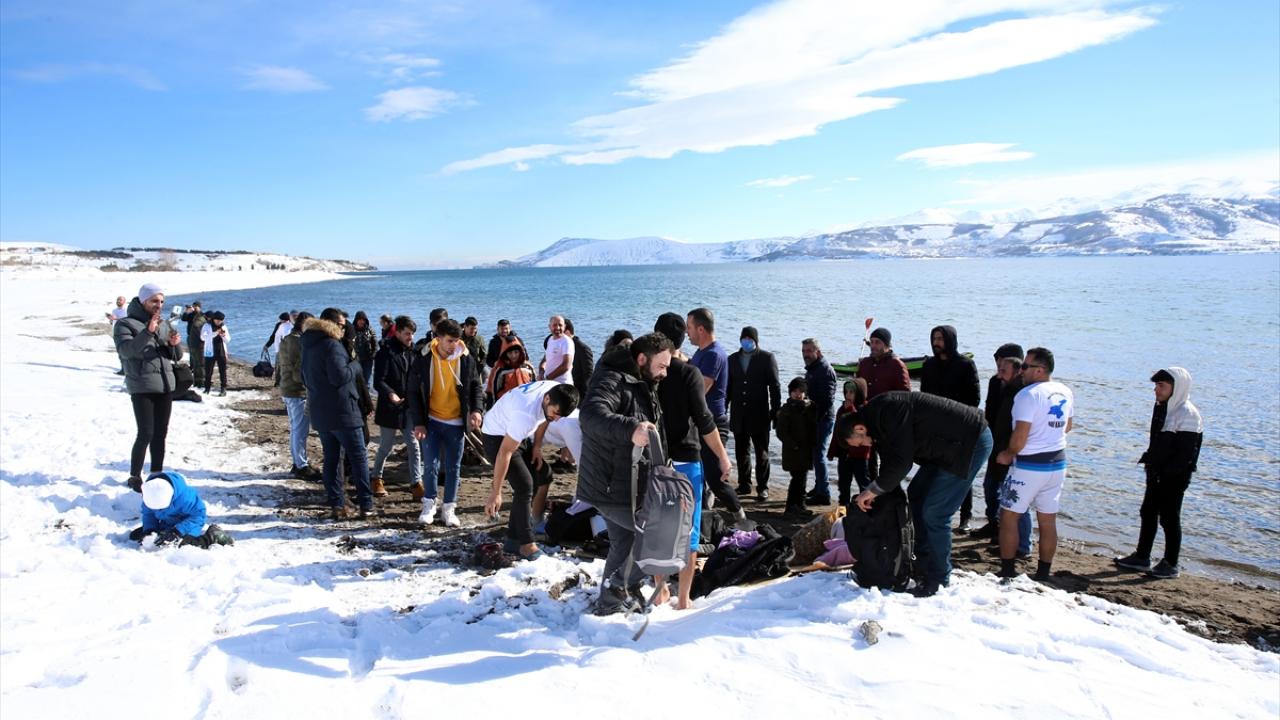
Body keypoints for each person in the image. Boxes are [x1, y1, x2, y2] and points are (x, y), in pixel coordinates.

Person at [844, 391, 993, 597]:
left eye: (861, 443)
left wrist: (873, 489)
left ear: (859, 428)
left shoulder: (888, 411)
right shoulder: (876, 421)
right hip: (945, 447)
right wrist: (877, 492)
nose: (866, 447)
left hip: (970, 441)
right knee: (916, 495)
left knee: (935, 513)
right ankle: (921, 563)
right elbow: (891, 461)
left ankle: (939, 578)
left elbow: (902, 461)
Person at [576, 332, 674, 615]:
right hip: (609, 485)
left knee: (624, 544)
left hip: (624, 484)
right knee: (655, 539)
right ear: (642, 359)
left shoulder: (642, 378)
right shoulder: (611, 378)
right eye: (662, 366)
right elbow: (591, 415)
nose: (665, 373)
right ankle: (618, 588)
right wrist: (631, 428)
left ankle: (610, 603)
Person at [653, 313, 735, 605]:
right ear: (679, 340)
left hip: (656, 459)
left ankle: (661, 590)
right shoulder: (689, 373)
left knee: (660, 528)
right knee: (688, 532)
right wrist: (723, 457)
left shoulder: (647, 371)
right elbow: (704, 420)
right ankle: (684, 598)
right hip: (687, 458)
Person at [1114, 367, 1203, 580]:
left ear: (1177, 387)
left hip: (1174, 476)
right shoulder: (1163, 408)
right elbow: (1158, 442)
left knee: (1170, 518)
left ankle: (1171, 563)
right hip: (1157, 472)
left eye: (1161, 385)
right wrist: (1151, 464)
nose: (1156, 390)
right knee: (1148, 512)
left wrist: (1168, 473)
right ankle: (1142, 556)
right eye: (1156, 385)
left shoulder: (1188, 414)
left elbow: (1186, 454)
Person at [995, 347, 1074, 582]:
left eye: (1025, 367)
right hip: (1057, 464)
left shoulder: (1027, 395)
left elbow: (1020, 435)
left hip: (1029, 466)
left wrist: (1008, 454)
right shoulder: (1064, 390)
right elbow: (1067, 426)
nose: (1021, 371)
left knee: (1008, 516)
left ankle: (1008, 571)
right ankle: (1043, 573)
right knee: (1047, 520)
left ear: (1039, 370)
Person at [481, 382, 580, 560]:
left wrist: (537, 447)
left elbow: (546, 418)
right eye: (555, 413)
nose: (556, 419)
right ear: (547, 398)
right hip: (496, 436)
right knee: (524, 485)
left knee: (542, 474)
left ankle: (513, 539)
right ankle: (526, 544)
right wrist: (495, 492)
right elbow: (505, 452)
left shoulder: (555, 393)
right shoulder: (525, 414)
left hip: (519, 434)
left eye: (561, 416)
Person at [407, 318, 484, 526]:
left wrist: (476, 410)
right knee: (430, 465)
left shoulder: (466, 358)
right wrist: (419, 422)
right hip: (431, 420)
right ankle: (429, 504)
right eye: (450, 341)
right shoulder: (423, 357)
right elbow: (413, 391)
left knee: (453, 466)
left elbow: (476, 386)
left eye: (457, 341)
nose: (454, 345)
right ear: (438, 338)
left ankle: (449, 508)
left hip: (456, 422)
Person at [300, 308, 374, 520]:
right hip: (343, 412)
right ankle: (366, 504)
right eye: (341, 325)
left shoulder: (308, 344)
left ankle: (337, 503)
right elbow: (339, 377)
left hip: (321, 412)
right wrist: (356, 365)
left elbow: (303, 378)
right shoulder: (331, 345)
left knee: (332, 459)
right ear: (331, 324)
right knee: (358, 458)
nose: (344, 329)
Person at [114, 283, 184, 492]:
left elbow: (176, 357)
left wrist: (174, 344)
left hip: (164, 384)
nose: (159, 305)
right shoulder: (125, 324)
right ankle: (135, 475)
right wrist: (147, 332)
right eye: (155, 301)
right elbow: (126, 351)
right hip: (141, 385)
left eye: (161, 301)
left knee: (160, 433)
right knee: (145, 432)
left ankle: (156, 472)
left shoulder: (163, 323)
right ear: (143, 301)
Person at [970, 344, 1032, 558]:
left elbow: (1021, 426)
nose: (999, 372)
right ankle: (996, 527)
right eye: (997, 364)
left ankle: (1022, 545)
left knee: (1015, 497)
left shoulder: (1023, 391)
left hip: (1011, 450)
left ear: (1017, 369)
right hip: (996, 444)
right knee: (992, 487)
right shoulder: (999, 384)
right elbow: (991, 410)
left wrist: (1012, 450)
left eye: (1003, 368)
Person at [919, 325, 981, 530]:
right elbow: (924, 396)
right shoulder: (928, 366)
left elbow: (974, 399)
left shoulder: (965, 365)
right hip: (935, 429)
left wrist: (958, 419)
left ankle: (966, 517)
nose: (937, 342)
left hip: (959, 427)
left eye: (940, 339)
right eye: (934, 338)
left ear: (950, 340)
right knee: (932, 468)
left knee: (961, 471)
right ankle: (928, 509)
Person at [687, 307, 742, 516]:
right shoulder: (701, 352)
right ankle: (701, 514)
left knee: (715, 478)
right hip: (701, 421)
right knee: (700, 475)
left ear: (701, 329)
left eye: (689, 327)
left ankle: (741, 516)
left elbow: (699, 389)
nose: (687, 332)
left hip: (713, 423)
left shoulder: (714, 354)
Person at [371, 316, 423, 499]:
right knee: (386, 446)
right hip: (389, 408)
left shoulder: (413, 352)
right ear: (398, 332)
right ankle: (376, 478)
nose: (411, 337)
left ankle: (416, 482)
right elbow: (378, 381)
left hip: (409, 407)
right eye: (407, 334)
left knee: (413, 445)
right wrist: (390, 394)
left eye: (412, 334)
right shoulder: (385, 352)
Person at [727, 326, 781, 501]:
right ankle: (744, 484)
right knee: (741, 451)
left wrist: (775, 410)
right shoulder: (732, 359)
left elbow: (775, 386)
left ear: (756, 341)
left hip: (759, 414)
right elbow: (728, 388)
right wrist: (724, 407)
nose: (747, 341)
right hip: (738, 413)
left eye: (750, 339)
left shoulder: (766, 358)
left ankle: (762, 487)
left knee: (762, 452)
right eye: (744, 338)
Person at [856, 327, 911, 485]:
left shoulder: (897, 365)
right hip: (868, 421)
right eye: (872, 342)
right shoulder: (865, 364)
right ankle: (869, 497)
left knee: (888, 464)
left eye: (878, 342)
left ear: (886, 345)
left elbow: (906, 398)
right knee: (867, 462)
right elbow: (858, 391)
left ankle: (888, 498)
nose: (874, 346)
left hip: (888, 424)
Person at [128, 471, 233, 549]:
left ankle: (211, 537)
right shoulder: (150, 492)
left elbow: (199, 515)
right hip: (167, 521)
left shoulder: (186, 498)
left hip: (188, 523)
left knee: (183, 545)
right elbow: (148, 514)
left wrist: (178, 531)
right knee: (142, 537)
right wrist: (150, 529)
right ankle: (159, 531)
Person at [277, 311, 317, 479]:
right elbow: (299, 370)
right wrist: (310, 386)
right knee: (300, 430)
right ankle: (301, 465)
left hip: (287, 388)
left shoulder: (287, 339)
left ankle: (298, 462)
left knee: (295, 429)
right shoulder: (300, 342)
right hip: (297, 390)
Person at [802, 338, 838, 505]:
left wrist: (815, 418)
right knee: (815, 455)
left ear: (818, 351)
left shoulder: (824, 370)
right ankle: (818, 487)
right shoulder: (813, 368)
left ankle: (824, 493)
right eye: (804, 351)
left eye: (809, 351)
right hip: (814, 418)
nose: (806, 354)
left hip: (823, 419)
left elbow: (827, 401)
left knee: (819, 456)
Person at [777, 377, 817, 517]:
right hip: (792, 450)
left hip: (806, 449)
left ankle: (799, 504)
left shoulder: (810, 407)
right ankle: (791, 506)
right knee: (797, 478)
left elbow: (814, 426)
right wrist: (792, 445)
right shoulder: (787, 409)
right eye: (794, 391)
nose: (797, 394)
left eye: (800, 391)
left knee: (802, 477)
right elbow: (781, 431)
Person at [828, 378, 871, 505]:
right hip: (844, 453)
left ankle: (867, 511)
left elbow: (856, 427)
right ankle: (843, 509)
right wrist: (832, 451)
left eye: (851, 392)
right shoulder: (842, 409)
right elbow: (837, 431)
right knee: (843, 484)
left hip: (860, 455)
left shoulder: (865, 409)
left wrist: (850, 409)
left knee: (863, 483)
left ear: (859, 393)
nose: (848, 395)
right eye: (846, 392)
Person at [488, 337, 536, 405]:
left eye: (516, 352)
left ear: (521, 352)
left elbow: (535, 387)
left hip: (526, 403)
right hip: (509, 405)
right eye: (510, 353)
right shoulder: (501, 371)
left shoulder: (528, 367)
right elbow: (495, 392)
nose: (513, 355)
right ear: (505, 354)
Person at [200, 311, 230, 396]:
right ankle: (207, 388)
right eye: (217, 320)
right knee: (208, 371)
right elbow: (202, 337)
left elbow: (228, 340)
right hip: (210, 350)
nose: (219, 322)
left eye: (221, 320)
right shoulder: (207, 325)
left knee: (222, 370)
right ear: (214, 319)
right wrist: (215, 333)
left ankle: (223, 389)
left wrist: (223, 335)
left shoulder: (223, 326)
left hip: (221, 351)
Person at [564, 318, 594, 399]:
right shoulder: (563, 347)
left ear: (567, 332)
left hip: (578, 394)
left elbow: (588, 374)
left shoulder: (583, 349)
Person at [540, 315, 574, 384]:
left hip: (562, 384)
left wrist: (548, 378)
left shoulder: (567, 341)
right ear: (550, 327)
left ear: (564, 326)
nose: (558, 328)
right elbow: (545, 359)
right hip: (549, 383)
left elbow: (566, 365)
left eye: (560, 325)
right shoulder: (550, 340)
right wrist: (541, 371)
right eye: (555, 325)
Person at [351, 311, 379, 389]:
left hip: (368, 359)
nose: (361, 321)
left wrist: (373, 354)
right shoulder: (351, 330)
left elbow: (375, 343)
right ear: (356, 320)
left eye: (363, 319)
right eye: (359, 319)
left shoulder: (370, 330)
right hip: (355, 359)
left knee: (366, 381)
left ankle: (367, 398)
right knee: (355, 380)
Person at [180, 300, 206, 382]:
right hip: (190, 336)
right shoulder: (191, 314)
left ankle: (199, 371)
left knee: (199, 354)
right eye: (193, 306)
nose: (194, 308)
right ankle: (192, 368)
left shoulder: (202, 315)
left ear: (199, 307)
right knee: (191, 353)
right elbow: (183, 318)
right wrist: (186, 311)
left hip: (199, 337)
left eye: (196, 307)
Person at [107, 295, 128, 374]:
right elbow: (112, 321)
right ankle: (123, 368)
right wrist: (111, 319)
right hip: (116, 331)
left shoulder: (126, 310)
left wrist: (116, 318)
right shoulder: (114, 310)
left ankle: (125, 369)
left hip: (124, 332)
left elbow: (127, 320)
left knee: (124, 351)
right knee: (119, 351)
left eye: (120, 300)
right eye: (117, 300)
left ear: (124, 301)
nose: (118, 301)